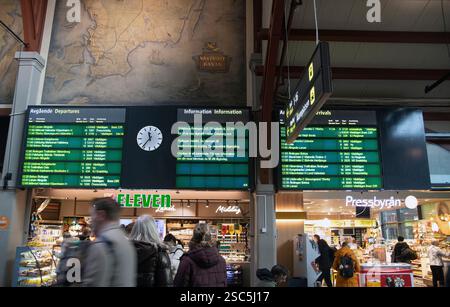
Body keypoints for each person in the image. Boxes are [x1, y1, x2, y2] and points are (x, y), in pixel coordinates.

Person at [82, 198, 137, 287]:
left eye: (92, 216)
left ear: (101, 215)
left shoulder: (101, 245)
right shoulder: (127, 243)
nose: (91, 221)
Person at [174, 223, 227, 287]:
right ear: (210, 238)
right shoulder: (221, 261)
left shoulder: (187, 261)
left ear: (194, 238)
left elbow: (179, 284)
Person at [129, 216, 173, 287]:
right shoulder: (160, 252)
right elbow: (166, 283)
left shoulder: (125, 250)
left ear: (135, 229)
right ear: (154, 230)